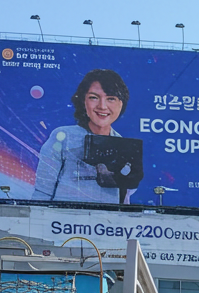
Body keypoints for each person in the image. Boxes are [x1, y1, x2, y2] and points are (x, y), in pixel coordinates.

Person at [33, 69, 140, 203]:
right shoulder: (63, 137)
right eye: (94, 97)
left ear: (121, 103)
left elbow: (125, 196)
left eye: (111, 99)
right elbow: (43, 189)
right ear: (83, 101)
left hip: (107, 221)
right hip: (64, 221)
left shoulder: (123, 145)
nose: (102, 106)